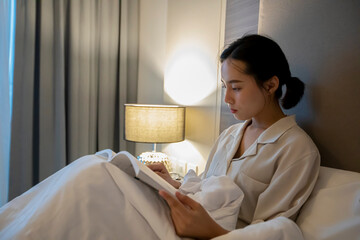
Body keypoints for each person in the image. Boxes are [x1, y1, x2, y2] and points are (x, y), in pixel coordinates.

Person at [148, 34, 320, 239]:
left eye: (236, 88)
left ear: (270, 85)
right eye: (225, 87)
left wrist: (212, 232)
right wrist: (172, 184)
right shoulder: (229, 136)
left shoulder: (296, 149)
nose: (227, 98)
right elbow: (207, 189)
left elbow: (272, 232)